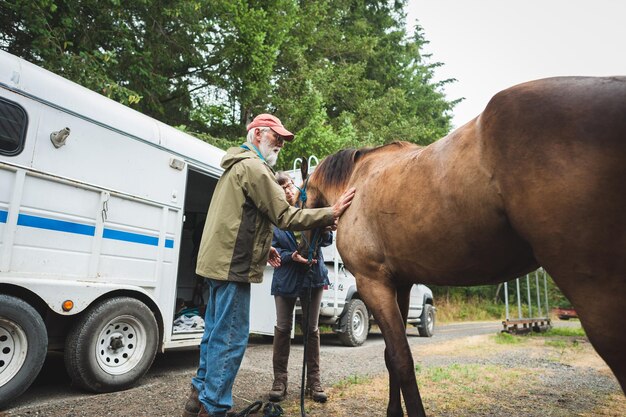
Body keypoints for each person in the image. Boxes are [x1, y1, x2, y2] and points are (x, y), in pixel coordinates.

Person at [182, 113, 356, 417]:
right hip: (231, 268)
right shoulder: (254, 168)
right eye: (276, 137)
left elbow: (237, 220)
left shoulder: (235, 166)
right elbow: (286, 217)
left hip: (215, 265)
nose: (280, 145)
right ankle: (215, 409)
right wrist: (332, 211)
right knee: (231, 338)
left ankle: (198, 396)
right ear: (259, 133)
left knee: (213, 333)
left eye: (282, 141)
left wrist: (264, 252)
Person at [268, 172, 332, 403]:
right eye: (282, 187)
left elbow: (326, 241)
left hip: (313, 275)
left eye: (288, 185)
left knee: (312, 329)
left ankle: (313, 382)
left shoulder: (309, 208)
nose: (287, 190)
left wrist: (323, 230)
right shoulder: (274, 215)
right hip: (285, 276)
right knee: (283, 328)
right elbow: (269, 246)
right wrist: (289, 256)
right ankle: (279, 381)